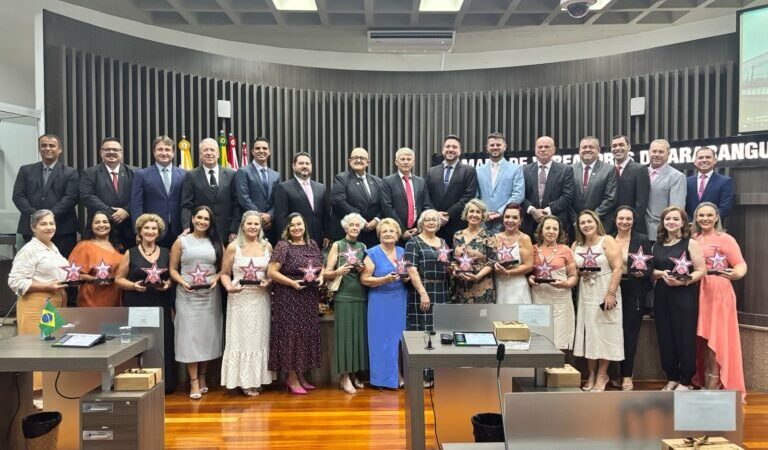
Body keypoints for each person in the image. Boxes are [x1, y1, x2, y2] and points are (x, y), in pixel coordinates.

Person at [115, 213, 177, 393]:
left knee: (162, 342)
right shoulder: (131, 252)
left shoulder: (167, 252)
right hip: (137, 304)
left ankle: (166, 384)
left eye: (154, 229)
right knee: (139, 344)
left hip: (160, 304)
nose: (150, 231)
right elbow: (119, 279)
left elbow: (172, 277)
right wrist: (133, 286)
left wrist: (167, 285)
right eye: (146, 228)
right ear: (140, 232)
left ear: (159, 233)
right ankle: (137, 383)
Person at [7, 209, 68, 392]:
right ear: (33, 228)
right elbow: (15, 281)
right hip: (35, 305)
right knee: (36, 351)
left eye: (52, 223)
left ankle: (47, 395)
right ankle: (34, 397)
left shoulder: (52, 247)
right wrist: (46, 286)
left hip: (52, 305)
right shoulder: (29, 250)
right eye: (43, 224)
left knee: (50, 350)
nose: (49, 227)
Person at [691, 202, 747, 400]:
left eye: (709, 215)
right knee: (703, 337)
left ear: (716, 217)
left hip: (719, 291)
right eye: (701, 215)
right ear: (696, 218)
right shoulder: (693, 238)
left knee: (717, 336)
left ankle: (715, 378)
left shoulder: (725, 239)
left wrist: (737, 274)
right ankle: (705, 375)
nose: (705, 218)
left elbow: (740, 264)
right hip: (699, 290)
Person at [169, 205, 223, 400]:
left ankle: (202, 377)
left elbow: (223, 269)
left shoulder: (215, 242)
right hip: (187, 295)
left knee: (207, 336)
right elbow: (173, 269)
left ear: (211, 222)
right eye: (199, 218)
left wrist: (217, 279)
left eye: (206, 219)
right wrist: (182, 282)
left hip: (209, 296)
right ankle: (193, 381)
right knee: (189, 337)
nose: (202, 222)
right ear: (192, 219)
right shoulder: (181, 242)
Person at [267, 213, 324, 394]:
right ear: (287, 229)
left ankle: (300, 375)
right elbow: (271, 272)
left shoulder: (312, 244)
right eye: (292, 225)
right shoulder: (283, 246)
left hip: (308, 298)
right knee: (290, 336)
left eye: (299, 224)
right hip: (288, 297)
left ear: (304, 226)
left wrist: (321, 277)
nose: (297, 228)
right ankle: (291, 378)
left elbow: (321, 268)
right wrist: (292, 283)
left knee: (303, 335)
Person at [219, 211, 274, 396]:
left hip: (260, 298)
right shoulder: (234, 247)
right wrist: (228, 287)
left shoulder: (267, 246)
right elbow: (225, 273)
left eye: (256, 224)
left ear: (261, 227)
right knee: (242, 338)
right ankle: (243, 380)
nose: (252, 227)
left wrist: (269, 282)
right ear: (242, 225)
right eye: (249, 223)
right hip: (239, 298)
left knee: (258, 338)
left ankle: (258, 378)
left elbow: (271, 273)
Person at [651, 206, 705, 391]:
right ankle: (672, 376)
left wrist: (682, 283)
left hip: (684, 295)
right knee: (665, 337)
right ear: (663, 222)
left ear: (683, 222)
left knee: (684, 337)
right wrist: (659, 273)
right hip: (662, 295)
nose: (671, 222)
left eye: (675, 219)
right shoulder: (656, 245)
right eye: (667, 219)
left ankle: (685, 380)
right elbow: (652, 272)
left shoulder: (690, 243)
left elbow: (701, 271)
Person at [572, 210, 624, 392]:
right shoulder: (576, 245)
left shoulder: (607, 240)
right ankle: (591, 373)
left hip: (605, 289)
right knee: (590, 332)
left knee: (605, 331)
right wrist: (580, 272)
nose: (586, 225)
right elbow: (573, 271)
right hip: (586, 291)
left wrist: (610, 293)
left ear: (596, 222)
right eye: (582, 222)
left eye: (589, 221)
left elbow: (618, 268)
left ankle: (603, 374)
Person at [12, 134, 79, 257]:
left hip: (62, 230)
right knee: (30, 268)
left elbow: (71, 198)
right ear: (39, 149)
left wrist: (48, 217)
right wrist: (36, 216)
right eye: (43, 145)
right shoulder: (25, 170)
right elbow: (18, 196)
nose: (47, 148)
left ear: (59, 149)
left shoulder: (71, 173)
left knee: (61, 270)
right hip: (31, 229)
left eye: (52, 146)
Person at [405, 209, 451, 388]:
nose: (431, 222)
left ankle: (438, 374)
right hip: (422, 291)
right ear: (421, 223)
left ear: (439, 223)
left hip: (442, 290)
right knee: (423, 333)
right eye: (427, 220)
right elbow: (411, 269)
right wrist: (423, 292)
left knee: (439, 332)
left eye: (434, 220)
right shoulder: (413, 242)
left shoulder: (443, 242)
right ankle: (423, 375)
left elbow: (447, 266)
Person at [360, 218, 408, 389]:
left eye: (392, 231)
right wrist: (384, 279)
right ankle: (381, 380)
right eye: (385, 231)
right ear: (379, 234)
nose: (388, 234)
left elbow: (408, 274)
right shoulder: (372, 253)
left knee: (398, 341)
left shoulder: (403, 252)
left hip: (399, 300)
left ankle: (398, 376)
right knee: (380, 341)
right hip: (379, 301)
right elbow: (365, 279)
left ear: (397, 234)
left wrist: (406, 278)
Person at [324, 213, 369, 394]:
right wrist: (339, 271)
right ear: (345, 227)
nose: (355, 228)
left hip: (361, 295)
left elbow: (367, 271)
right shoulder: (338, 244)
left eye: (358, 225)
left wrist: (362, 268)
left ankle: (355, 374)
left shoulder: (363, 246)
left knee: (358, 338)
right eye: (351, 225)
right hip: (344, 296)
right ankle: (344, 377)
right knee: (345, 338)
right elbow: (326, 273)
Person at [611, 206, 653, 391]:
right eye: (621, 218)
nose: (624, 222)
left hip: (634, 290)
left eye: (628, 219)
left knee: (630, 333)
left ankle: (627, 375)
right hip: (612, 289)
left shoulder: (642, 239)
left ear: (633, 220)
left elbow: (650, 267)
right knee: (612, 331)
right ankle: (613, 373)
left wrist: (642, 273)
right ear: (615, 220)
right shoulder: (608, 239)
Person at [527, 216, 577, 351]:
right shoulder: (532, 249)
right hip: (539, 298)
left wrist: (565, 284)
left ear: (559, 232)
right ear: (541, 230)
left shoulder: (566, 250)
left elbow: (573, 277)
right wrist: (530, 279)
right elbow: (528, 272)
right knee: (539, 336)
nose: (551, 231)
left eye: (555, 228)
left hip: (561, 299)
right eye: (547, 227)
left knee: (560, 339)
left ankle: (557, 371)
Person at [80, 137, 135, 250]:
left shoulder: (135, 172)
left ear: (121, 153)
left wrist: (126, 211)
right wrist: (111, 214)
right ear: (101, 152)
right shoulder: (89, 173)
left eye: (115, 150)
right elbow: (87, 197)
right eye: (107, 149)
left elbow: (139, 196)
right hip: (100, 229)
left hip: (128, 230)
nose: (111, 152)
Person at [130, 136, 186, 248]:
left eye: (167, 149)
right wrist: (138, 231)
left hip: (179, 231)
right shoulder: (141, 175)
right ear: (154, 152)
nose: (164, 153)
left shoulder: (184, 174)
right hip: (152, 232)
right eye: (160, 149)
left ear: (173, 153)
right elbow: (136, 205)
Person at [181, 138, 240, 244]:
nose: (209, 153)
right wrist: (186, 227)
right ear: (200, 154)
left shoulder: (231, 174)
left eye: (212, 150)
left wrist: (234, 229)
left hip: (227, 233)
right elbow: (186, 205)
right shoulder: (191, 175)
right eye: (205, 150)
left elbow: (237, 204)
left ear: (218, 154)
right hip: (200, 233)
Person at [426, 135, 478, 242]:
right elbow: (426, 196)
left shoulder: (469, 171)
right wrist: (436, 214)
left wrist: (448, 214)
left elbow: (468, 197)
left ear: (459, 151)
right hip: (435, 226)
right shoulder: (432, 171)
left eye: (454, 147)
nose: (450, 149)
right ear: (443, 149)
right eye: (447, 146)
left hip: (458, 225)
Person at [273, 152, 331, 248]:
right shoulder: (284, 187)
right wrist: (286, 240)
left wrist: (327, 235)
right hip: (294, 241)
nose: (305, 166)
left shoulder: (321, 188)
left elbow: (326, 215)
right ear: (293, 166)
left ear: (311, 166)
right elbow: (281, 217)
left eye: (307, 164)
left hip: (317, 242)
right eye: (301, 163)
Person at [522, 136, 575, 237]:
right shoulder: (524, 170)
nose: (543, 150)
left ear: (554, 150)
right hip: (530, 223)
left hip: (555, 221)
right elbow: (520, 195)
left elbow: (567, 196)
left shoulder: (565, 170)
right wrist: (532, 210)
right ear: (535, 150)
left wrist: (547, 211)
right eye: (540, 147)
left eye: (547, 147)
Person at [68, 210, 123, 307]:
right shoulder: (84, 246)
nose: (102, 225)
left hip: (116, 298)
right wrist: (94, 279)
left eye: (105, 222)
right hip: (92, 299)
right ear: (91, 226)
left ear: (110, 225)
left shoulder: (118, 247)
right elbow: (73, 275)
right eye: (97, 222)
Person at [330, 147, 383, 248]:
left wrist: (376, 220)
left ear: (368, 162)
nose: (358, 160)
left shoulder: (378, 181)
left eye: (362, 158)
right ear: (350, 161)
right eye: (355, 158)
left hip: (373, 236)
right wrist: (360, 221)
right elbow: (338, 201)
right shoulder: (341, 178)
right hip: (350, 236)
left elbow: (384, 204)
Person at [235, 137, 281, 244]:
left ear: (269, 152)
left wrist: (270, 215)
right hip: (250, 225)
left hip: (270, 227)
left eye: (265, 148)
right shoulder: (243, 172)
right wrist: (259, 216)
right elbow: (243, 198)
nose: (261, 151)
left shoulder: (276, 175)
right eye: (258, 148)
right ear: (252, 151)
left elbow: (278, 200)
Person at [380, 147, 433, 241]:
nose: (406, 162)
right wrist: (402, 230)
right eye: (402, 159)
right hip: (396, 233)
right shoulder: (387, 181)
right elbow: (387, 207)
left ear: (413, 162)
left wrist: (418, 227)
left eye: (409, 159)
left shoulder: (421, 182)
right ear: (396, 162)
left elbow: (426, 206)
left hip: (418, 232)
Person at [450, 199, 497, 304]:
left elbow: (492, 261)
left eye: (478, 212)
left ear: (483, 216)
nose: (474, 215)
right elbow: (454, 260)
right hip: (461, 287)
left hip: (482, 286)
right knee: (462, 319)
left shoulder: (489, 235)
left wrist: (477, 277)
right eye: (471, 211)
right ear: (466, 214)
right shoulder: (457, 235)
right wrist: (456, 270)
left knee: (482, 320)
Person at [476, 133, 524, 232]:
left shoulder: (516, 169)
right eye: (492, 145)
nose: (495, 147)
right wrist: (483, 213)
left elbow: (518, 195)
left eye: (498, 145)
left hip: (505, 223)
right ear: (487, 147)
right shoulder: (478, 170)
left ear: (505, 147)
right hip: (483, 222)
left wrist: (500, 212)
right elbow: (475, 196)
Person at [606, 135, 650, 235]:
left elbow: (641, 203)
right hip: (610, 228)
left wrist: (631, 223)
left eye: (621, 145)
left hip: (631, 227)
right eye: (614, 146)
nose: (617, 148)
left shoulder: (640, 169)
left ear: (629, 147)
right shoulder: (608, 170)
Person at [645, 139, 686, 241]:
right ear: (649, 153)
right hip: (639, 231)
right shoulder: (641, 172)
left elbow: (676, 209)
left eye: (661, 152)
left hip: (661, 233)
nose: (657, 154)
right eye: (654, 151)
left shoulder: (677, 176)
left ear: (668, 154)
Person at [571, 136, 617, 227]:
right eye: (584, 147)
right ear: (579, 150)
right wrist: (576, 219)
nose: (587, 149)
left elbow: (610, 198)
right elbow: (567, 197)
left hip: (600, 223)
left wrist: (592, 218)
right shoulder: (570, 169)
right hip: (575, 224)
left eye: (591, 147)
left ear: (598, 150)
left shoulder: (609, 169)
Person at [494, 204, 533, 304]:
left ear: (520, 221)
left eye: (515, 217)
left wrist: (509, 273)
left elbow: (528, 266)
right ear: (503, 218)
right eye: (507, 217)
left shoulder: (525, 239)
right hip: (499, 284)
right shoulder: (495, 238)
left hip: (518, 286)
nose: (510, 220)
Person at [685, 146, 734, 222]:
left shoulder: (725, 181)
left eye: (708, 157)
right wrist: (692, 223)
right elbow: (682, 206)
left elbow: (725, 208)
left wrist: (706, 221)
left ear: (715, 161)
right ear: (695, 162)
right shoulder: (686, 181)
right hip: (690, 227)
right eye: (701, 158)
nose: (704, 160)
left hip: (714, 228)